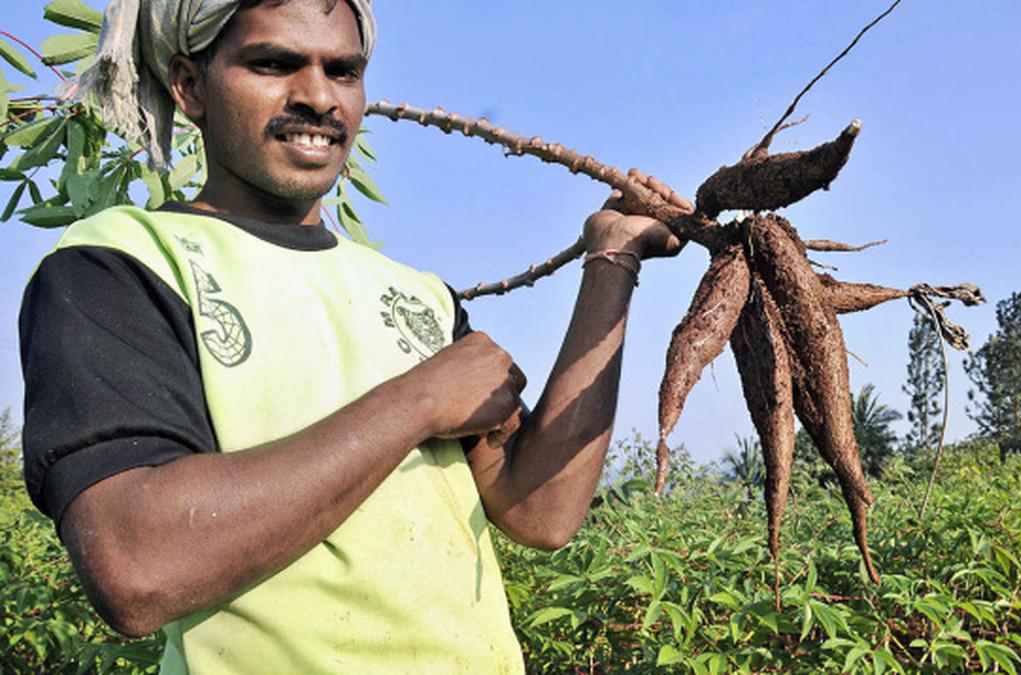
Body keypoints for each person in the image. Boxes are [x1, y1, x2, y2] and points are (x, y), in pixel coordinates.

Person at [19, 0, 690, 671]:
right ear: (190, 86)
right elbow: (138, 567)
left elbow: (538, 509)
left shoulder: (418, 296)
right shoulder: (124, 264)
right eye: (274, 63)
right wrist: (419, 401)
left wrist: (612, 260)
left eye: (344, 71)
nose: (317, 96)